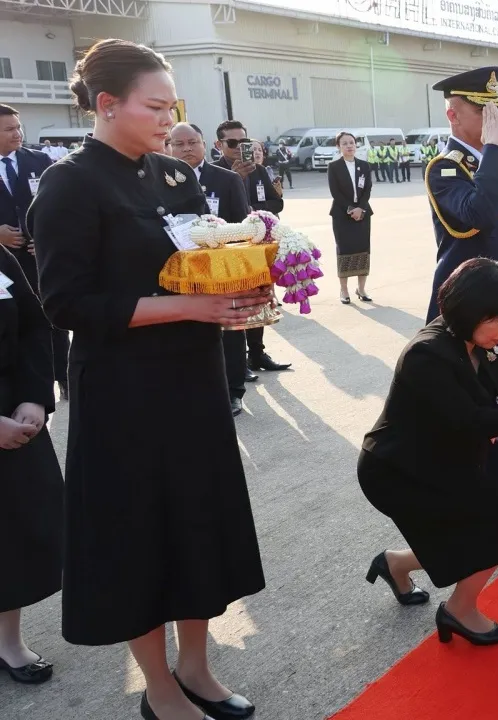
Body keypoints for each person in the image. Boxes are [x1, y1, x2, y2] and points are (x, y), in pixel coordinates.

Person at [28, 38, 266, 720]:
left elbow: (199, 261)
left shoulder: (174, 177)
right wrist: (192, 307)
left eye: (173, 106)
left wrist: (238, 288)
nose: (169, 119)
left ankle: (197, 666)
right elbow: (65, 304)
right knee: (141, 536)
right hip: (124, 393)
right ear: (107, 105)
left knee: (198, 522)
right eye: (155, 106)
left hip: (191, 379)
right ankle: (159, 688)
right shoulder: (70, 184)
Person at [359, 258, 498, 643]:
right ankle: (459, 609)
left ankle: (395, 563)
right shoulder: (427, 354)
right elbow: (472, 421)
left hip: (443, 459)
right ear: (468, 310)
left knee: (466, 526)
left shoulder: (486, 343)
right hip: (397, 470)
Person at [425, 66, 498, 483]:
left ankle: (491, 490)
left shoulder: (490, 167)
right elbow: (476, 217)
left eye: (494, 110)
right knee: (468, 413)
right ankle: (468, 497)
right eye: (482, 111)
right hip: (467, 313)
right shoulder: (445, 168)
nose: (492, 121)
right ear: (453, 116)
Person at [0, 246, 62, 686]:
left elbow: (34, 326)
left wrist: (33, 396)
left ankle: (7, 641)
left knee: (15, 535)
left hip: (12, 415)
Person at [169, 121, 255, 416]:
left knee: (230, 330)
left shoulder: (226, 179)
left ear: (205, 144)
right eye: (178, 144)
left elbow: (243, 228)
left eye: (192, 142)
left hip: (222, 270)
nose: (186, 149)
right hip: (180, 272)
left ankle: (234, 391)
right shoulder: (160, 179)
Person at [0, 104, 68, 400]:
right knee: (17, 319)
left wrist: (45, 237)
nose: (18, 133)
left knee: (55, 315)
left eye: (19, 127)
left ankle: (64, 377)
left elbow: (59, 207)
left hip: (39, 254)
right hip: (5, 263)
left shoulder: (41, 162)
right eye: (9, 129)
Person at [214, 120, 290, 375]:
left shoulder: (258, 171)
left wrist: (258, 216)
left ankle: (257, 355)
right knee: (237, 304)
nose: (239, 148)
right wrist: (236, 179)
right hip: (229, 247)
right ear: (219, 145)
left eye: (244, 142)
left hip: (257, 245)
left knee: (258, 300)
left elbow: (276, 204)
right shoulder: (216, 174)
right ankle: (237, 362)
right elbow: (213, 213)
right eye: (232, 143)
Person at [328, 131, 375, 305]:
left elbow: (367, 189)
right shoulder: (334, 167)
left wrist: (360, 208)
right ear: (339, 147)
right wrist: (350, 209)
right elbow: (335, 192)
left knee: (363, 249)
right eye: (345, 143)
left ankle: (361, 289)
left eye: (352, 143)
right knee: (344, 250)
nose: (349, 146)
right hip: (342, 214)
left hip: (363, 214)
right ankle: (344, 289)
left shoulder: (364, 165)